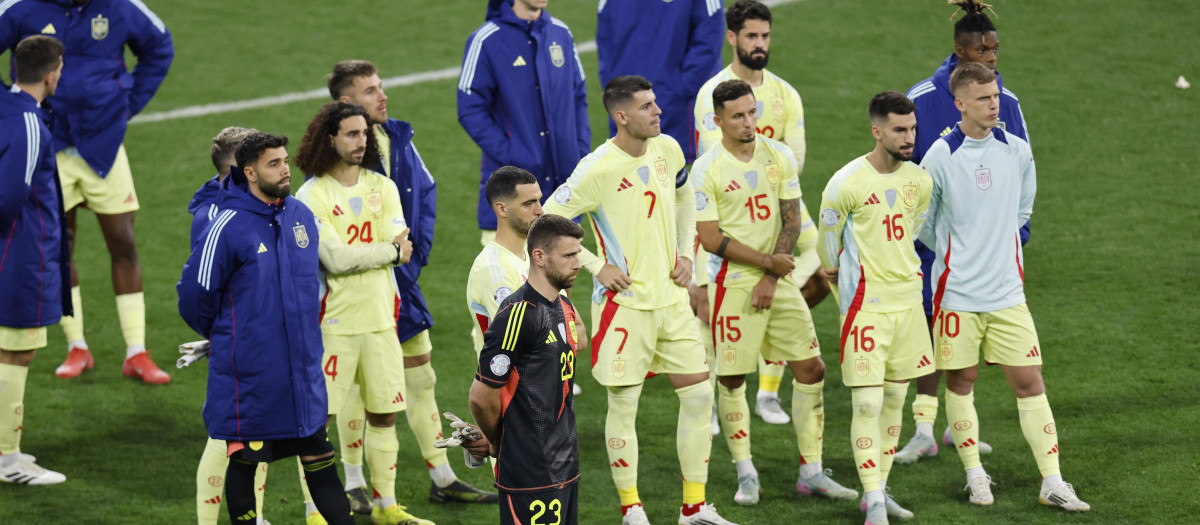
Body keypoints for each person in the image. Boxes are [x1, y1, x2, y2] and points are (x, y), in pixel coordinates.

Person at [543, 75, 735, 525]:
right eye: (647, 106)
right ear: (621, 116)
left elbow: (686, 197)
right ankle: (632, 508)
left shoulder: (668, 148)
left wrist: (687, 252)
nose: (658, 112)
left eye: (656, 103)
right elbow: (550, 222)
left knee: (698, 395)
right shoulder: (597, 169)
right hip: (623, 307)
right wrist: (595, 266)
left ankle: (693, 507)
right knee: (624, 406)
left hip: (670, 301)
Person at [917, 62, 1088, 512]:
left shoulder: (1016, 151)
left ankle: (1052, 481)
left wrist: (997, 248)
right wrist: (965, 253)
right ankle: (975, 476)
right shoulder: (938, 157)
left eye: (995, 96)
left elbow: (1023, 210)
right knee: (961, 382)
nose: (995, 105)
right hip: (957, 296)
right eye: (984, 99)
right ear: (960, 104)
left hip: (1008, 294)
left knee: (1030, 382)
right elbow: (925, 225)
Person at [327, 60, 495, 511]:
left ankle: (441, 475)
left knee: (421, 377)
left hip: (402, 281)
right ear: (345, 103)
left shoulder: (397, 137)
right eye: (370, 91)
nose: (383, 96)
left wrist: (413, 258)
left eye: (381, 87)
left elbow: (426, 190)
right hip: (357, 290)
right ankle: (354, 481)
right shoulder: (330, 162)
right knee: (358, 389)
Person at [176, 132, 354, 525]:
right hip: (252, 378)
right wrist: (232, 336)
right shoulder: (226, 224)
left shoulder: (300, 216)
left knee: (322, 463)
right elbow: (193, 296)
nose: (286, 170)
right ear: (250, 172)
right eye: (274, 164)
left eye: (286, 161)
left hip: (302, 374)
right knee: (245, 466)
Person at [692, 80, 855, 507]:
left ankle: (812, 472)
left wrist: (771, 275)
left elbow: (792, 220)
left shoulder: (778, 155)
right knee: (730, 378)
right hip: (731, 284)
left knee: (812, 369)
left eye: (752, 112)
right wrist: (766, 265)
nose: (750, 122)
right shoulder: (707, 169)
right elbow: (710, 238)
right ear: (718, 121)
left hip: (774, 282)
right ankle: (746, 473)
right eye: (739, 116)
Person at [0, 0, 175, 384]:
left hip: (104, 141)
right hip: (50, 141)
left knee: (123, 241)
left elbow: (160, 46)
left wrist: (128, 105)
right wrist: (10, 104)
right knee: (62, 244)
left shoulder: (121, 6)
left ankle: (137, 352)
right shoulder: (19, 7)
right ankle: (76, 346)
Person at [895, 0, 1032, 463]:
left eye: (996, 50)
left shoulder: (1005, 102)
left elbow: (1022, 170)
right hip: (928, 244)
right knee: (925, 335)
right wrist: (912, 241)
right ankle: (922, 429)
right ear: (960, 50)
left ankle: (955, 428)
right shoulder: (921, 99)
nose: (992, 58)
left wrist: (1013, 240)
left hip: (988, 250)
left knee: (967, 346)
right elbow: (899, 171)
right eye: (984, 51)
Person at [294, 102, 433, 525]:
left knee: (384, 414)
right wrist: (388, 252)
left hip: (381, 319)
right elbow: (334, 258)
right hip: (333, 323)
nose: (362, 141)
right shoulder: (312, 194)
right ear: (329, 139)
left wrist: (386, 252)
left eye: (364, 133)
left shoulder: (382, 187)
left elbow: (403, 246)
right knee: (318, 423)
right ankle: (314, 510)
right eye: (352, 134)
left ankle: (386, 506)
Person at [692, 0, 828, 425]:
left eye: (765, 36)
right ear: (732, 38)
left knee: (823, 277)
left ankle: (768, 391)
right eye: (751, 36)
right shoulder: (711, 93)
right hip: (731, 210)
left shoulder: (786, 93)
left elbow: (795, 158)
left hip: (784, 204)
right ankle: (715, 396)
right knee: (707, 306)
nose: (759, 44)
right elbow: (714, 162)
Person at [817, 91, 933, 525]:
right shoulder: (846, 183)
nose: (909, 137)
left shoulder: (920, 181)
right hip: (867, 308)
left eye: (913, 129)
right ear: (877, 130)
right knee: (866, 405)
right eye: (900, 130)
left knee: (894, 404)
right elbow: (828, 250)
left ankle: (877, 492)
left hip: (907, 305)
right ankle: (875, 501)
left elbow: (913, 229)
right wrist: (840, 282)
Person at [467, 214, 585, 525]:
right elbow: (481, 396)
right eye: (569, 255)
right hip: (529, 471)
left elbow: (577, 342)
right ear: (540, 257)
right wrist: (497, 442)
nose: (578, 263)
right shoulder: (516, 315)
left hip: (566, 464)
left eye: (579, 254)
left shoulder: (563, 306)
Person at [188, 126, 273, 525]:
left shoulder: (249, 207)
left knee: (260, 432)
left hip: (262, 337)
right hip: (240, 341)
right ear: (241, 171)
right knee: (226, 436)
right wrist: (219, 334)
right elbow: (197, 292)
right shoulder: (216, 217)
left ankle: (253, 518)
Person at [457, 0, 590, 244]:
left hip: (563, 191)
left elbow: (578, 97)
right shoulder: (487, 40)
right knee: (507, 281)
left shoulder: (561, 33)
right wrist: (513, 154)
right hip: (513, 193)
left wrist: (579, 151)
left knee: (560, 279)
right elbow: (470, 110)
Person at [0, 34, 68, 486]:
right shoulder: (27, 123)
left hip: (14, 249)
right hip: (22, 252)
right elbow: (10, 197)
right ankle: (8, 459)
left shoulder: (7, 108)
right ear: (51, 75)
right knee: (16, 351)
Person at [597, 0, 723, 163]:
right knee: (630, 175)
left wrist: (681, 88)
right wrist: (615, 92)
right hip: (629, 103)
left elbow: (709, 37)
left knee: (682, 177)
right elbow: (605, 42)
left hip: (677, 108)